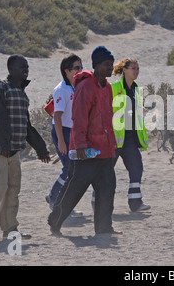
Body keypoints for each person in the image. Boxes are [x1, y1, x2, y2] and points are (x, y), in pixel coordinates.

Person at [0, 55, 51, 240]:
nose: (26, 69)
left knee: (13, 189)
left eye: (28, 66)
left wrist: (41, 149)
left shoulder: (21, 93)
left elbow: (26, 125)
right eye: (22, 66)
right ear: (11, 69)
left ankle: (10, 229)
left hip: (12, 150)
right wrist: (3, 144)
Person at [48, 46, 121, 236]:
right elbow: (79, 118)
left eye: (111, 65)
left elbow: (107, 119)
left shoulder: (108, 88)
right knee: (74, 190)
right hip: (86, 151)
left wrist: (111, 145)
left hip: (104, 150)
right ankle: (55, 222)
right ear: (96, 66)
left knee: (107, 188)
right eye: (106, 65)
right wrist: (79, 145)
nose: (110, 69)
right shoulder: (85, 86)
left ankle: (104, 228)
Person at [45, 54, 83, 217]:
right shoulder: (62, 89)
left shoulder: (78, 86)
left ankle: (63, 202)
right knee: (69, 169)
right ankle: (54, 198)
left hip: (74, 132)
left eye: (81, 67)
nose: (80, 70)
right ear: (67, 71)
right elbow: (57, 116)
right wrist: (61, 141)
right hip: (63, 131)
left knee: (75, 170)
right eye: (77, 68)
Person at [111, 58, 150, 212]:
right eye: (133, 68)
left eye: (138, 68)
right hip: (113, 138)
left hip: (130, 139)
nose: (136, 71)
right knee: (105, 172)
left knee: (136, 168)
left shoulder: (136, 89)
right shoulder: (113, 88)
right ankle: (98, 202)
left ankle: (135, 203)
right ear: (124, 70)